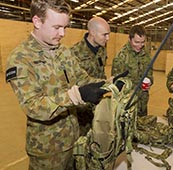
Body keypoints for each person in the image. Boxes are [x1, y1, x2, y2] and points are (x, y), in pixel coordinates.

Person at [5, 0, 108, 169]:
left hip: (75, 140)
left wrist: (108, 84)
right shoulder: (20, 59)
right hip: (48, 150)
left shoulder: (63, 52)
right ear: (37, 21)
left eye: (65, 27)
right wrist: (76, 95)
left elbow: (83, 79)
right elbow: (34, 106)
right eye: (57, 27)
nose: (62, 33)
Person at [70, 17, 110, 135]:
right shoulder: (74, 53)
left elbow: (101, 70)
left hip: (98, 106)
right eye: (105, 34)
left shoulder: (102, 49)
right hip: (82, 112)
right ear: (92, 32)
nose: (108, 38)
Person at [111, 25, 153, 116]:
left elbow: (150, 73)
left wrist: (149, 81)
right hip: (128, 103)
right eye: (137, 42)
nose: (140, 46)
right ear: (130, 39)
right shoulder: (121, 57)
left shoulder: (145, 54)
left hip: (143, 101)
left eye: (142, 42)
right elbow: (116, 83)